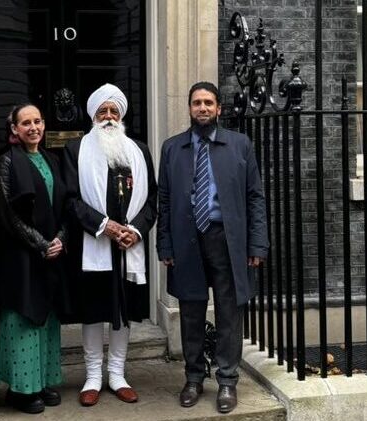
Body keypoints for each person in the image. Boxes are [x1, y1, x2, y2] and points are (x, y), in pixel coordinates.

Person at [156, 81, 268, 414]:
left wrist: (257, 244)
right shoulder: (172, 148)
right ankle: (193, 378)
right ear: (189, 108)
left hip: (227, 239)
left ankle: (228, 381)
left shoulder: (240, 145)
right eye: (196, 103)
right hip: (186, 239)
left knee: (229, 313)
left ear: (218, 108)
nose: (202, 108)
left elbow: (255, 197)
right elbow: (164, 199)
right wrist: (165, 244)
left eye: (208, 103)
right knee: (190, 312)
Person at [63, 83, 157, 406]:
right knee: (94, 311)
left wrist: (136, 231)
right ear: (93, 116)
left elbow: (152, 199)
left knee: (124, 310)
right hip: (95, 245)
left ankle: (117, 374)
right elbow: (71, 200)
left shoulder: (139, 151)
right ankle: (92, 376)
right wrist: (104, 226)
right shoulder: (76, 150)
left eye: (113, 111)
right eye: (102, 111)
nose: (108, 116)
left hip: (128, 246)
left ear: (121, 115)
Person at [0, 104, 70, 414]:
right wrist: (40, 244)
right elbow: (9, 215)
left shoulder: (52, 159)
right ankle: (21, 389)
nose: (33, 127)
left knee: (47, 318)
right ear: (14, 129)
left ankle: (43, 381)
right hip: (21, 255)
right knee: (22, 317)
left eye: (37, 121)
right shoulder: (6, 163)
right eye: (26, 123)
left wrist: (61, 239)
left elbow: (65, 203)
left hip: (51, 254)